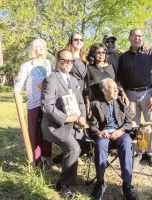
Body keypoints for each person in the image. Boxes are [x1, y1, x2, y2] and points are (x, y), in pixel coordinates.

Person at [41, 49, 86, 198]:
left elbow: (80, 102)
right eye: (65, 61)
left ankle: (63, 164)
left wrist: (82, 117)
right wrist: (67, 118)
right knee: (74, 149)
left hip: (74, 124)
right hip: (56, 126)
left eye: (71, 61)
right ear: (58, 61)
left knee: (86, 143)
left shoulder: (73, 80)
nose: (68, 64)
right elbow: (47, 106)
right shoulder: (51, 80)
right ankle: (64, 184)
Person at [117, 28, 152, 167]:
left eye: (140, 36)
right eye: (135, 36)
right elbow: (120, 78)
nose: (138, 38)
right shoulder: (124, 57)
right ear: (129, 38)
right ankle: (138, 152)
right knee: (134, 125)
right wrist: (122, 92)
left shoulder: (150, 53)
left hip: (148, 93)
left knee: (151, 124)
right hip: (130, 94)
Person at [89, 78, 136, 200]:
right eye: (113, 88)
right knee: (100, 145)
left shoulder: (121, 102)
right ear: (104, 91)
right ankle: (100, 184)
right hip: (104, 136)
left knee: (127, 142)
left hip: (120, 135)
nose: (117, 90)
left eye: (117, 87)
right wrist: (99, 133)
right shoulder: (96, 104)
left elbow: (130, 121)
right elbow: (93, 126)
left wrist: (121, 131)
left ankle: (126, 185)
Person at [14, 38, 53, 165]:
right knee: (34, 131)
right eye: (37, 46)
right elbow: (18, 85)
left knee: (46, 130)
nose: (40, 48)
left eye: (42, 46)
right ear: (32, 49)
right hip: (34, 103)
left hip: (47, 103)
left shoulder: (49, 64)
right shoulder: (26, 66)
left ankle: (45, 156)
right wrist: (17, 95)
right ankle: (36, 159)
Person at [85, 43, 116, 117]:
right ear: (93, 54)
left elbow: (116, 83)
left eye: (103, 52)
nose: (101, 54)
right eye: (98, 52)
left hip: (112, 102)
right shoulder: (89, 68)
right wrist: (87, 103)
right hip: (96, 103)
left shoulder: (111, 67)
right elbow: (86, 87)